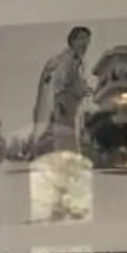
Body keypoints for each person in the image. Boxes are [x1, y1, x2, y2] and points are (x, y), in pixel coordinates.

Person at [22, 26, 95, 159]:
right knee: (67, 152)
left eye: (87, 40)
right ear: (72, 41)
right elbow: (59, 84)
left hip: (70, 115)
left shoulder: (76, 63)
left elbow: (71, 85)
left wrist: (84, 90)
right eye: (81, 39)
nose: (85, 43)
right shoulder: (63, 60)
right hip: (63, 113)